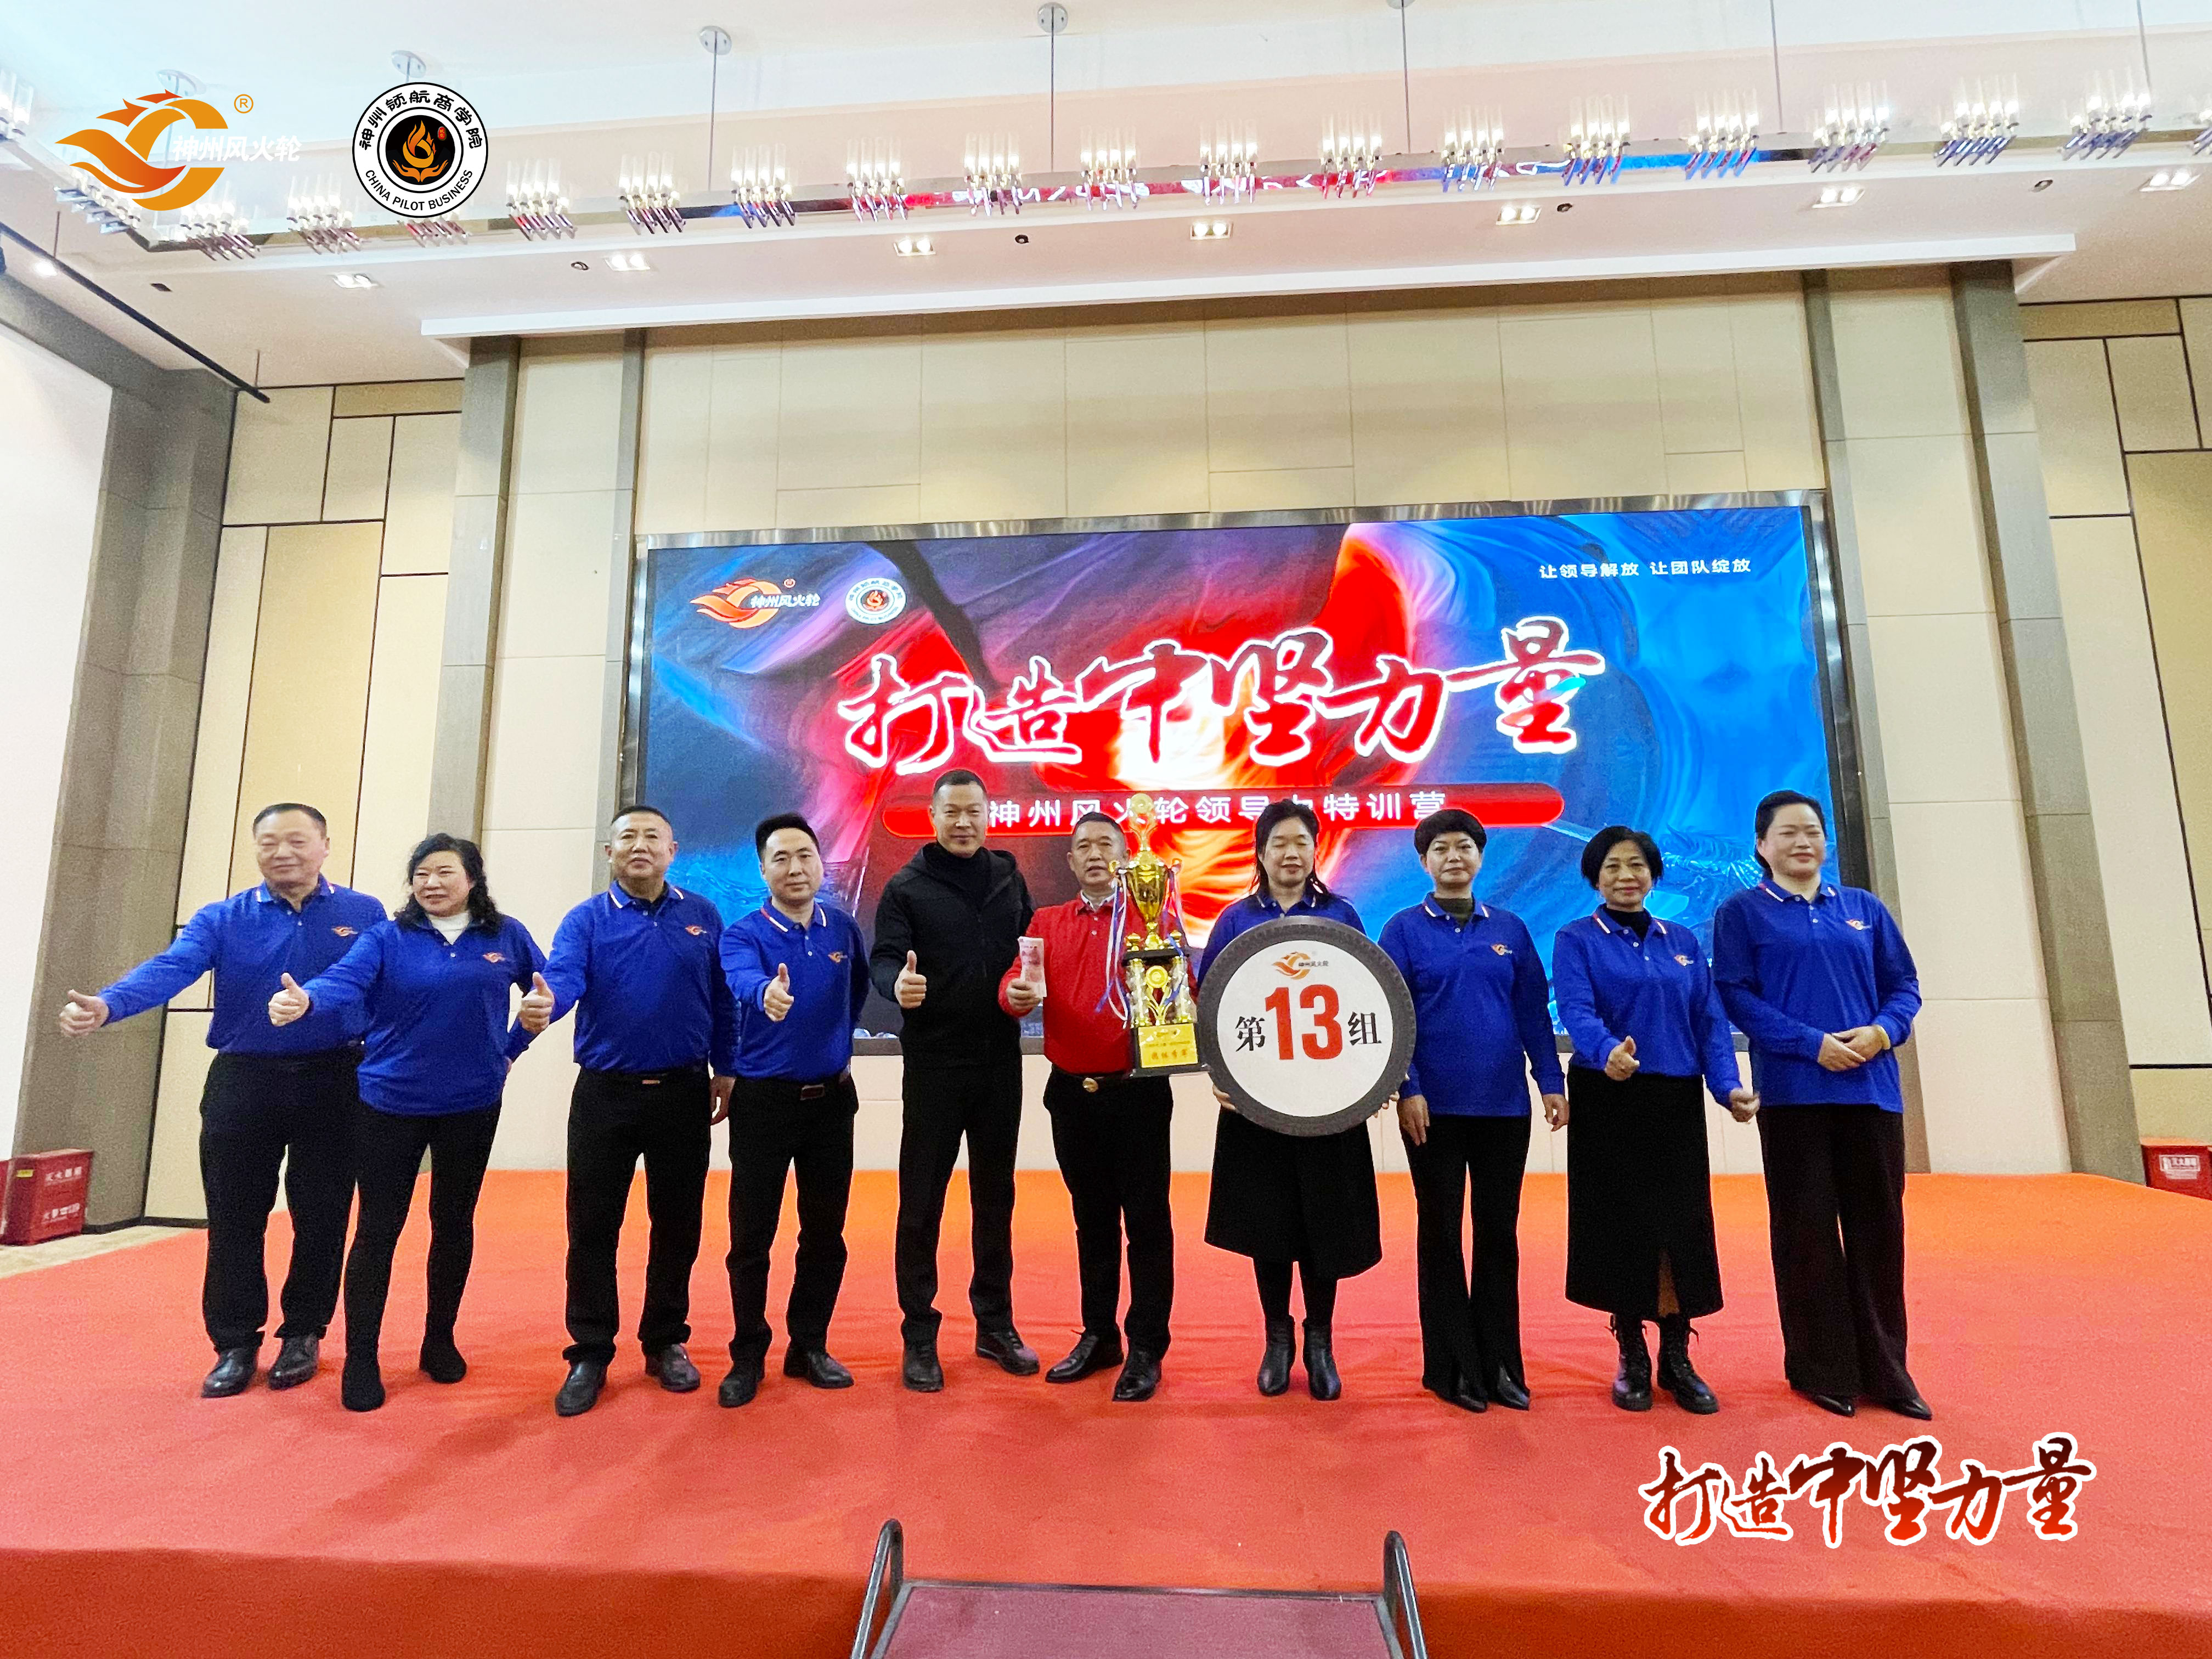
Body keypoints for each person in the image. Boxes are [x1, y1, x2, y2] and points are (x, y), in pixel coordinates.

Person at [56, 803, 384, 1398]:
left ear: (325, 846)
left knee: (322, 1214)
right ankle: (234, 1342)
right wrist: (109, 1005)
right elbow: (171, 968)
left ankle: (304, 1332)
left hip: (335, 1079)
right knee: (234, 1216)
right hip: (244, 1080)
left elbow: (381, 986)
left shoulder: (363, 914)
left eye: (297, 841)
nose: (283, 853)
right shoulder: (223, 918)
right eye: (269, 842)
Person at [269, 833, 544, 1413]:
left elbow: (546, 991)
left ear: (473, 879)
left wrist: (515, 1044)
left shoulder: (506, 935)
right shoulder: (387, 938)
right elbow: (344, 982)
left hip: (472, 1102)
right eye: (421, 874)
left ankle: (439, 1339)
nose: (431, 883)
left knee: (454, 1222)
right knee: (378, 1229)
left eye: (445, 872)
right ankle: (362, 1357)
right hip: (390, 1102)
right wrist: (308, 1000)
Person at [1711, 789, 1928, 1422]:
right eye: (1787, 833)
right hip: (1795, 1095)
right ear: (1762, 845)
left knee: (1879, 1232)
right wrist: (1812, 1045)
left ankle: (1888, 1371)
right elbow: (1735, 995)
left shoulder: (1863, 909)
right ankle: (1821, 1368)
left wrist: (1883, 1032)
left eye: (1812, 831)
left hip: (1872, 1092)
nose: (1802, 842)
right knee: (1806, 1233)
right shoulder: (1742, 913)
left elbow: (1904, 985)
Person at [520, 805, 738, 1418]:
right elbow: (564, 978)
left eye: (651, 837)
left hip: (683, 1092)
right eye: (627, 838)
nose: (639, 846)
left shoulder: (703, 915)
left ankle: (665, 1340)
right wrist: (546, 1005)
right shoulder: (586, 919)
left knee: (678, 1224)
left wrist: (727, 1067)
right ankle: (590, 1350)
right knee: (593, 1226)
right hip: (605, 1095)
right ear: (608, 852)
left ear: (672, 850)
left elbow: (724, 997)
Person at [1551, 825, 1759, 1415]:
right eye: (1612, 867)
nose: (1626, 876)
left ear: (1654, 874)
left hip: (1674, 1099)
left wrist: (1728, 1087)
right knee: (1622, 1225)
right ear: (1595, 878)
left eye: (1637, 865)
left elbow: (1710, 1022)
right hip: (1609, 1096)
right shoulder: (1576, 938)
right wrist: (1606, 1051)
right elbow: (1576, 1011)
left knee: (1681, 1225)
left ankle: (1677, 1355)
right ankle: (1632, 1353)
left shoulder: (1683, 941)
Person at [1376, 809, 1565, 1415]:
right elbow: (1390, 1016)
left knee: (1498, 1234)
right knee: (1439, 1234)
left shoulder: (1509, 928)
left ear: (1480, 857)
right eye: (1440, 849)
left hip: (1504, 1107)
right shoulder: (1402, 930)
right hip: (1431, 1109)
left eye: (1464, 847)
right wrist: (1407, 1087)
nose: (1453, 857)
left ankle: (1501, 1363)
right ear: (1424, 862)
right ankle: (1450, 1365)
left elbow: (1533, 1012)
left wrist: (1551, 1081)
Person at [1197, 799, 1377, 1401]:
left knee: (1326, 1220)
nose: (1291, 854)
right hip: (1258, 1103)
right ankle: (1278, 1337)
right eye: (1279, 843)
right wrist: (1218, 1073)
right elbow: (1211, 1004)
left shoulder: (1342, 915)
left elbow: (1367, 1001)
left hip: (1330, 1102)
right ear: (1261, 852)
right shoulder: (1235, 919)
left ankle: (1319, 1339)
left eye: (1302, 842)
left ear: (1315, 851)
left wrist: (1370, 1079)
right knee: (1267, 1220)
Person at [870, 768, 1037, 1392]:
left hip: (999, 1063)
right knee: (922, 1202)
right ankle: (919, 1333)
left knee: (996, 1199)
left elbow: (1031, 949)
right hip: (934, 1066)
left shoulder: (1009, 878)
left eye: (974, 812)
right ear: (933, 818)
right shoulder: (906, 887)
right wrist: (897, 985)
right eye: (952, 813)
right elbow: (884, 959)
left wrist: (1031, 985)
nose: (964, 823)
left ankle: (995, 1323)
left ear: (988, 816)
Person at [997, 812, 1173, 1403]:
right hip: (1072, 1095)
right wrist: (1015, 994)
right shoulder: (1046, 923)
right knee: (1091, 1221)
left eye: (1106, 845)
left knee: (1147, 1224)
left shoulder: (1154, 919)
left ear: (1126, 858)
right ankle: (1099, 1334)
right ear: (1070, 861)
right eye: (1084, 846)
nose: (1095, 854)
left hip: (1138, 1093)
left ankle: (1147, 1345)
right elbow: (1015, 984)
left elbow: (1183, 991)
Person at [715, 812, 871, 1407]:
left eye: (805, 855)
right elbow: (740, 979)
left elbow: (856, 994)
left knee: (825, 1234)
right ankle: (747, 1354)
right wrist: (767, 993)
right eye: (780, 858)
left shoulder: (843, 929)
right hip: (764, 1104)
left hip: (830, 1102)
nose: (795, 868)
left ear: (821, 863)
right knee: (751, 1237)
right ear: (763, 870)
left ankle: (809, 1346)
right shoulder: (743, 935)